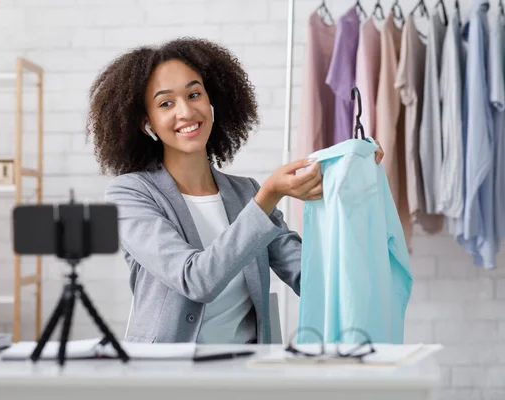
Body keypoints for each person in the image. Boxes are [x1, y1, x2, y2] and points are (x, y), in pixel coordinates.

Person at [86, 37, 384, 344]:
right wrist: (268, 195)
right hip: (167, 377)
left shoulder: (246, 193)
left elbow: (313, 277)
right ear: (146, 122)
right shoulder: (129, 195)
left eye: (194, 94)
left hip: (245, 374)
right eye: (166, 103)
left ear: (212, 101)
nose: (186, 112)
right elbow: (196, 280)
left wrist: (350, 175)